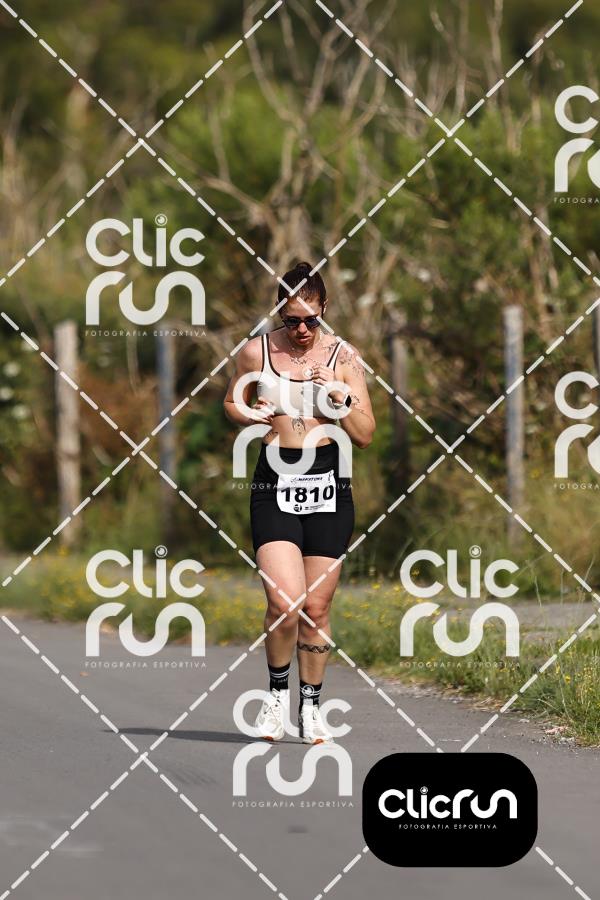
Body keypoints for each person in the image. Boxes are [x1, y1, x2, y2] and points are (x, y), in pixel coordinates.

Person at [224, 262, 375, 744]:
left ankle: (310, 706)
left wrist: (339, 398)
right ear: (279, 314)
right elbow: (231, 402)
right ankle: (275, 697)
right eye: (292, 320)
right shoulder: (257, 352)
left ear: (324, 309)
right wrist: (250, 413)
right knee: (283, 601)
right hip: (275, 480)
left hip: (329, 481)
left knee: (316, 607)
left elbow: (366, 435)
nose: (303, 329)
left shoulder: (344, 356)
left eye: (311, 319)